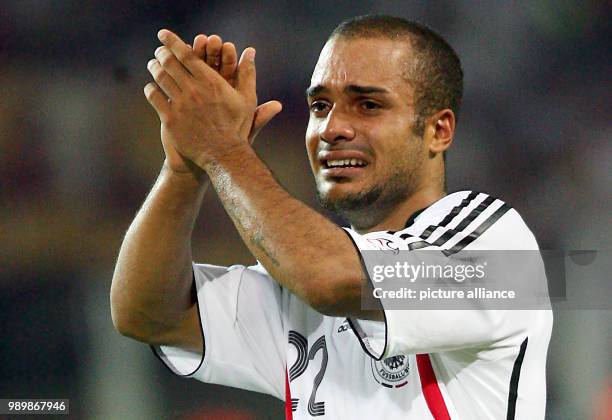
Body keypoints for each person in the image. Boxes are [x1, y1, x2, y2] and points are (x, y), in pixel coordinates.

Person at [110, 15, 552, 419]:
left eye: (368, 106)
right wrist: (185, 165)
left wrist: (222, 150)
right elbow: (146, 314)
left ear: (439, 130)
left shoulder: (494, 246)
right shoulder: (301, 279)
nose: (332, 128)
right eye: (320, 106)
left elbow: (332, 281)